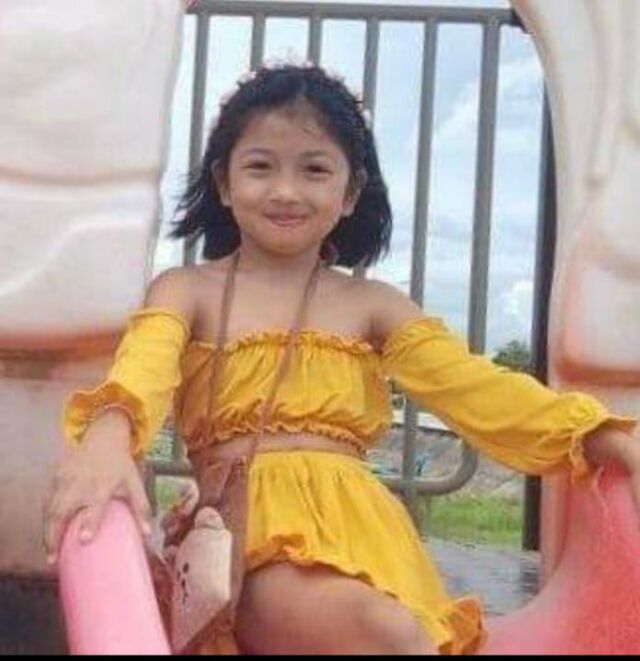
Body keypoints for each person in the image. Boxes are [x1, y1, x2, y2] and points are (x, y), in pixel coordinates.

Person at [44, 64, 639, 655]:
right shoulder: (186, 290)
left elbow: (476, 388)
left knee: (393, 628)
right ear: (224, 183)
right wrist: (109, 434)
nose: (285, 191)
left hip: (370, 543)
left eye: (315, 169)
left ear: (350, 192)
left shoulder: (373, 306)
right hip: (247, 540)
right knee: (386, 635)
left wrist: (599, 435)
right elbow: (142, 369)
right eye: (260, 166)